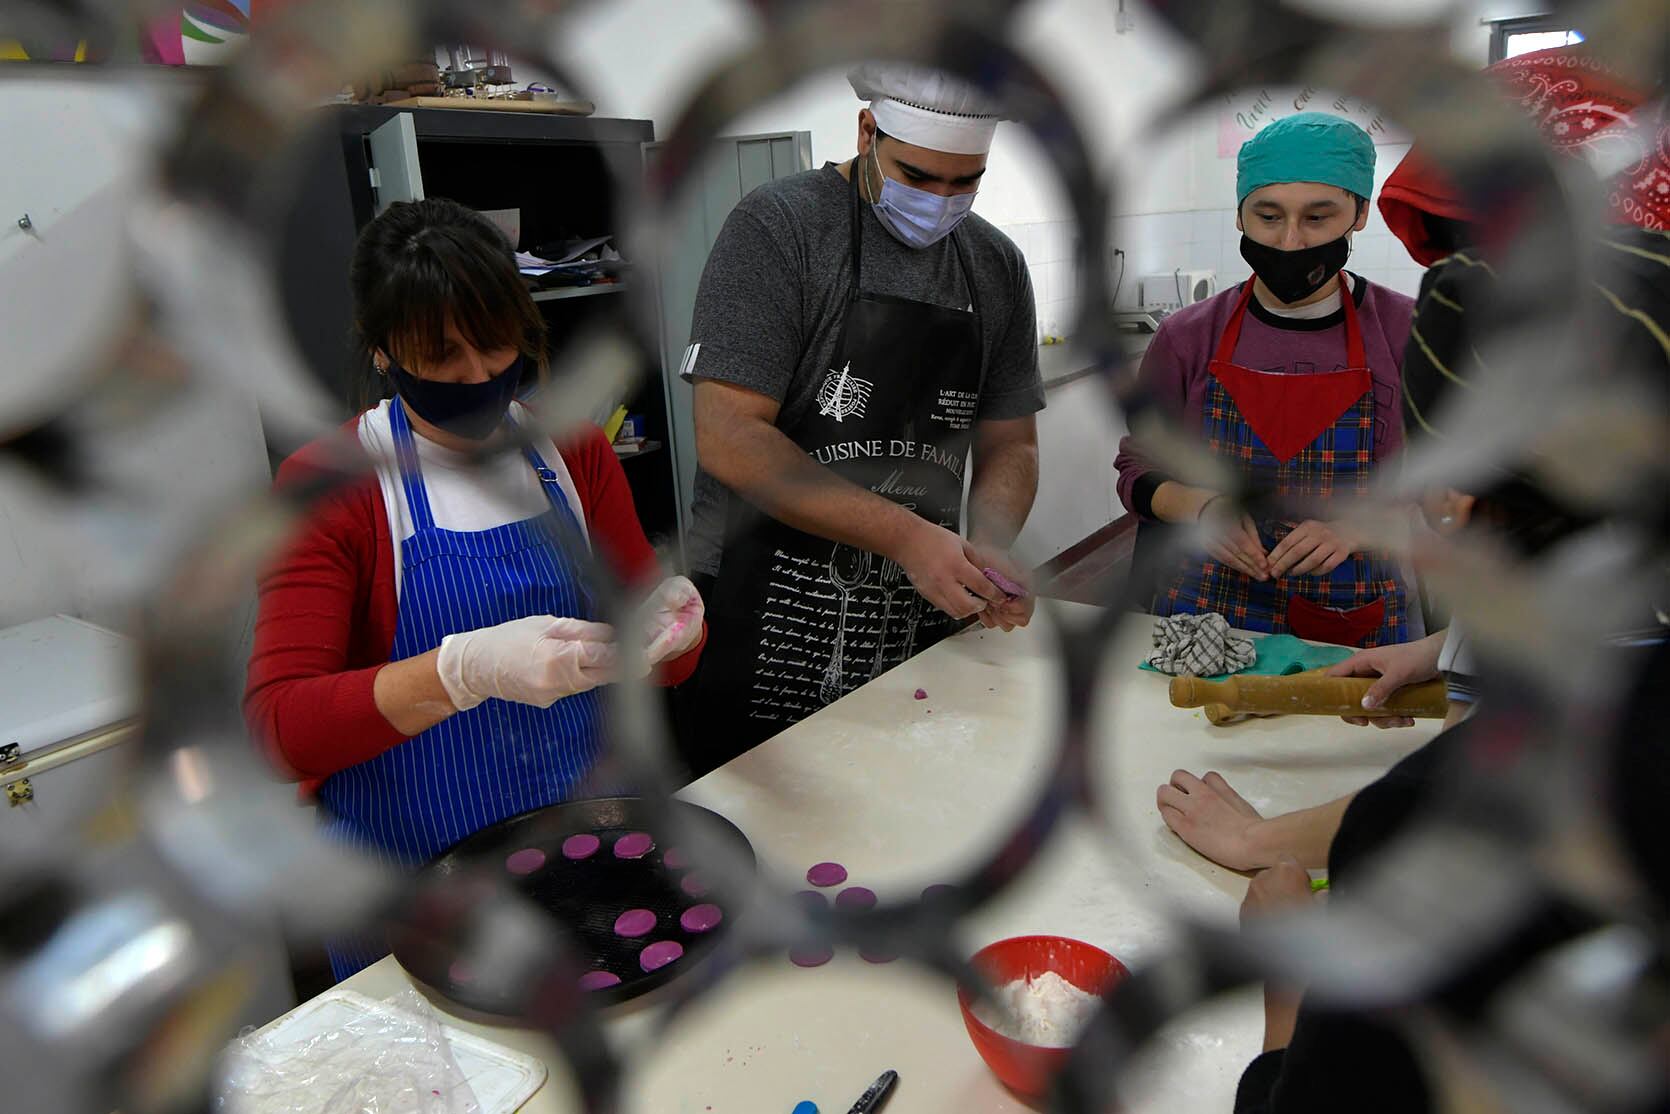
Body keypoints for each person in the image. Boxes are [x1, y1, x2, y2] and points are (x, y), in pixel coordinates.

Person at [244, 198, 706, 979]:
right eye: (441, 354)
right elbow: (279, 730)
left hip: (583, 851)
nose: (480, 375)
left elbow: (658, 662)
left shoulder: (573, 452)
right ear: (385, 352)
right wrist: (459, 673)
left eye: (496, 344)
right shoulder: (333, 489)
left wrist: (674, 630)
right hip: (414, 887)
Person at [675, 62, 1044, 771]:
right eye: (918, 175)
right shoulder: (778, 229)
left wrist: (990, 541)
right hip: (761, 612)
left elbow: (1011, 444)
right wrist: (906, 535)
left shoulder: (997, 266)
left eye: (965, 181)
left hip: (917, 609)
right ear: (867, 131)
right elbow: (728, 436)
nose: (941, 200)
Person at [1115, 113, 1418, 648]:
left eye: (1319, 218)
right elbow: (1139, 471)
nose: (1291, 241)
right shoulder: (1187, 336)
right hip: (1204, 612)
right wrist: (1201, 508)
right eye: (1268, 216)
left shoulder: (1408, 332)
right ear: (1239, 216)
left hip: (1349, 616)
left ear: (1361, 214)